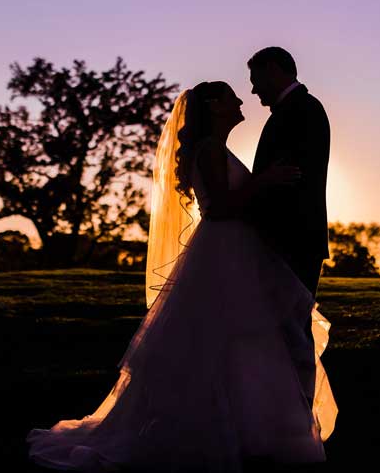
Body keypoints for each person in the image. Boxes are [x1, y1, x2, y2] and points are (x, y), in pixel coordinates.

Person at [27, 80, 337, 472]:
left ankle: (248, 430)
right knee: (219, 341)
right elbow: (221, 207)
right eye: (230, 97)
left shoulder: (216, 149)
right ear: (213, 106)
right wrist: (264, 181)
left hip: (236, 252)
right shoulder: (207, 151)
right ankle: (208, 432)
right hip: (223, 252)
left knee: (243, 342)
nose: (241, 100)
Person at [247, 46, 331, 407]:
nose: (253, 91)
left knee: (291, 329)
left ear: (276, 71)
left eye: (256, 81)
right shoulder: (290, 111)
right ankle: (284, 411)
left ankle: (297, 415)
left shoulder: (303, 110)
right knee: (279, 329)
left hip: (292, 237)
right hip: (285, 237)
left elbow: (291, 180)